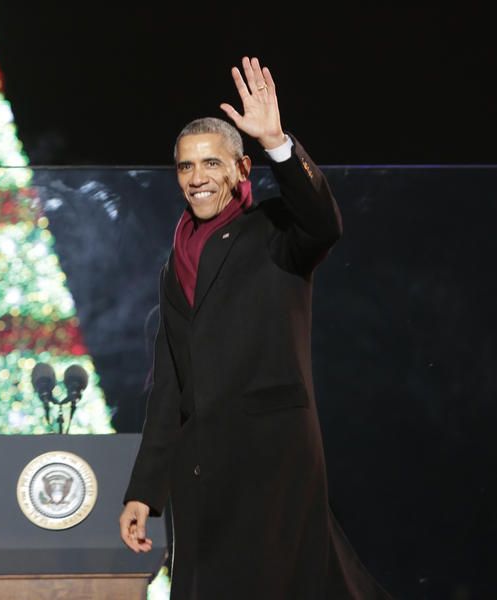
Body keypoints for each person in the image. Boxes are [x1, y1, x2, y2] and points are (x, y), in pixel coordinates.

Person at [118, 56, 393, 599]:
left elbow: (324, 221)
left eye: (211, 165)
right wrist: (144, 492)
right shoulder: (175, 263)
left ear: (242, 170)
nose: (197, 179)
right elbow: (169, 384)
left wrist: (278, 144)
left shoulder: (274, 230)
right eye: (185, 167)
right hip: (201, 469)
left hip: (272, 459)